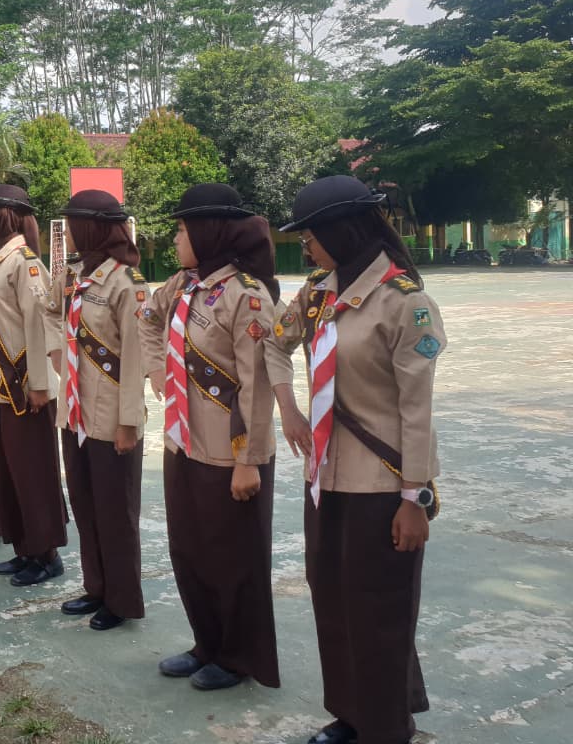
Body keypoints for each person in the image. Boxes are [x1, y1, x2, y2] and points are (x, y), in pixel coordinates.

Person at [264, 176, 446, 744]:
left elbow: (416, 413)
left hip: (383, 486)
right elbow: (273, 343)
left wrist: (413, 498)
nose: (307, 245)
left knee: (380, 611)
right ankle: (351, 712)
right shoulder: (316, 293)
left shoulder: (405, 304)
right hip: (325, 478)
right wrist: (288, 409)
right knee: (334, 600)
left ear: (342, 231)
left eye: (312, 234)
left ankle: (388, 727)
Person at [141, 183, 280, 691]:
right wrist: (158, 369)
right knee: (190, 549)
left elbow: (259, 388)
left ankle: (239, 656)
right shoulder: (180, 285)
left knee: (233, 559)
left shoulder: (247, 295)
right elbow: (148, 322)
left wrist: (250, 461)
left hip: (231, 451)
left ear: (208, 232)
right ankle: (207, 643)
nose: (175, 239)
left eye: (181, 229)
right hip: (183, 441)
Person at [55, 190, 149, 631]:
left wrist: (129, 421)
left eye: (74, 224)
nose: (68, 231)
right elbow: (54, 319)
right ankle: (95, 586)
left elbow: (135, 358)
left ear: (92, 227)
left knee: (116, 512)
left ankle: (122, 597)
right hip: (75, 411)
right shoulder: (83, 276)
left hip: (112, 417)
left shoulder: (126, 284)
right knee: (87, 504)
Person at [0, 184, 68, 587]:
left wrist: (40, 384)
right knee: (8, 470)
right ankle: (23, 549)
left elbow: (41, 324)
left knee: (32, 471)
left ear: (4, 215)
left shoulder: (25, 263)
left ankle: (45, 554)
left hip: (25, 388)